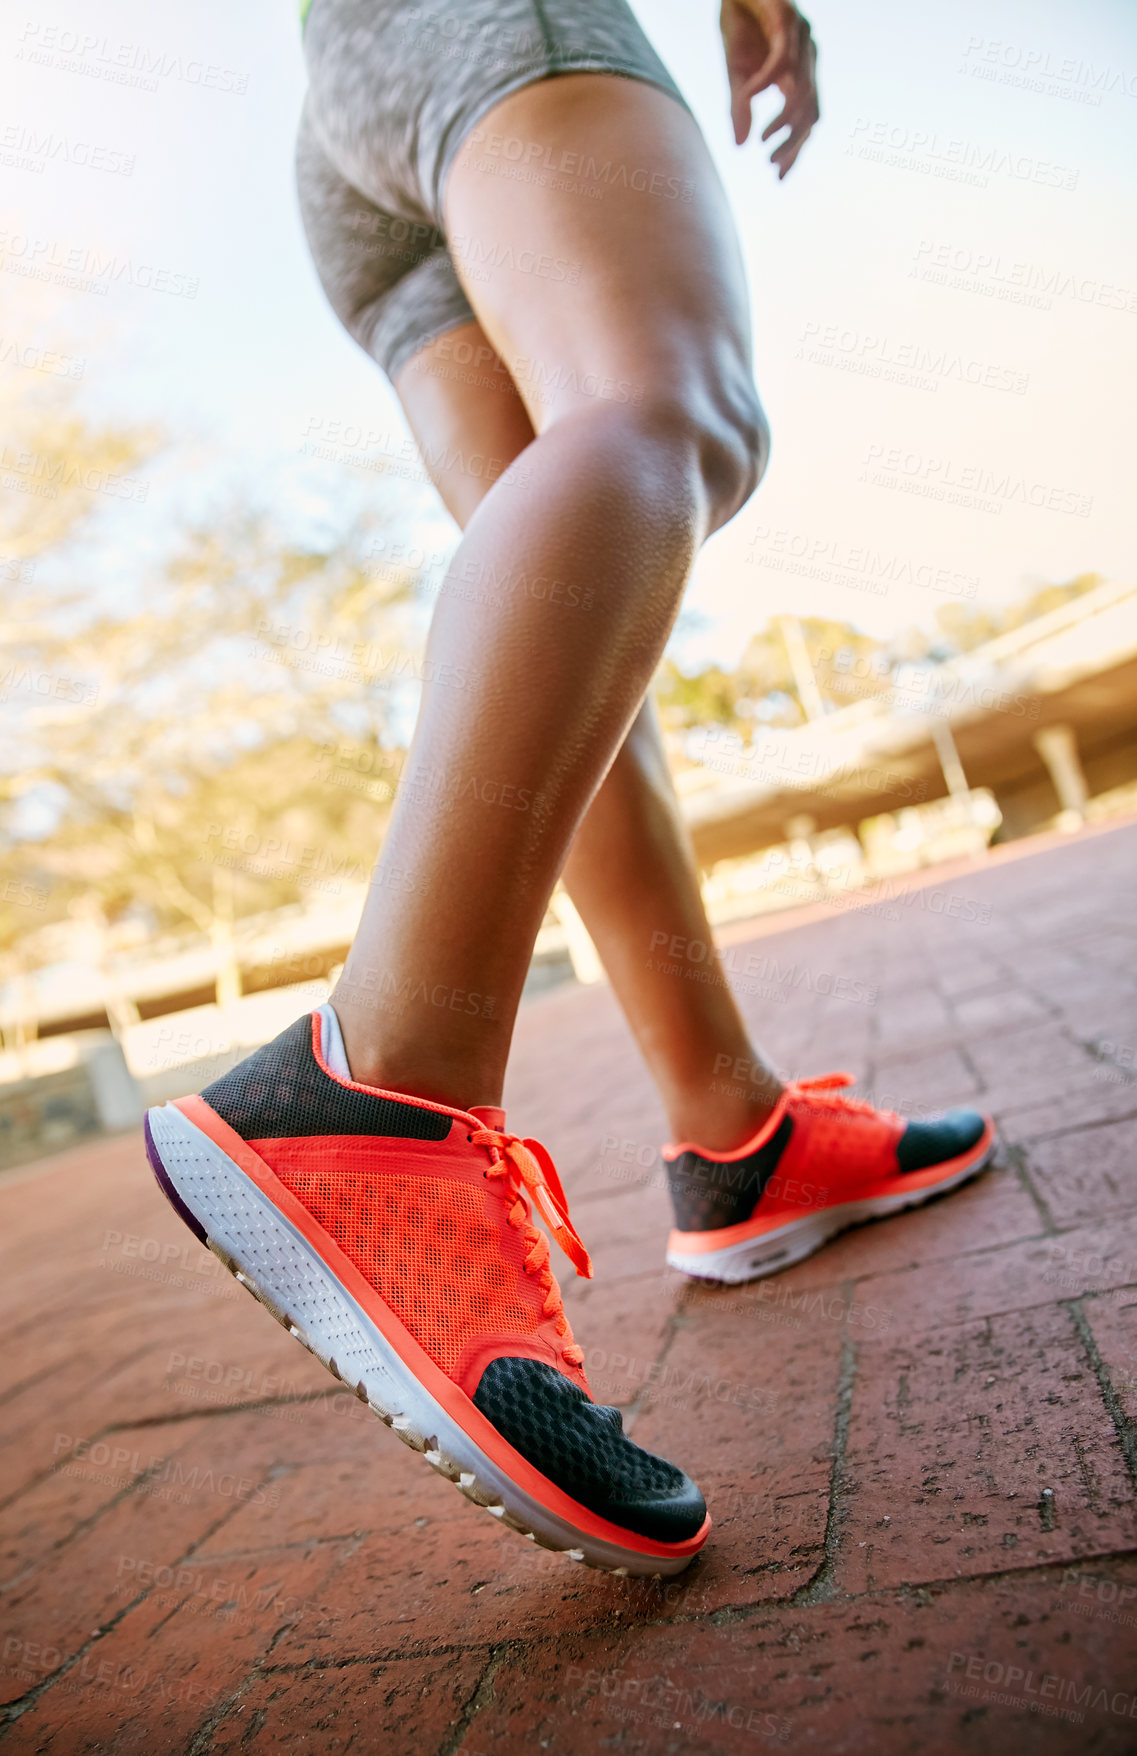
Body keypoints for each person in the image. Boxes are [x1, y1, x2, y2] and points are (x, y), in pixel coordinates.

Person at [145, 0, 991, 1577]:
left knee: (577, 632)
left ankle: (729, 1127)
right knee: (672, 414)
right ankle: (383, 1083)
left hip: (355, 117)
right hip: (492, 33)